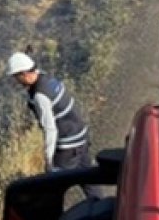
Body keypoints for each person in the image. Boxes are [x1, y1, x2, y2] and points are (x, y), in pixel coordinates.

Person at [7, 51, 104, 198]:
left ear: (24, 74)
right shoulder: (47, 79)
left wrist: (48, 158)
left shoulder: (40, 96)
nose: (17, 81)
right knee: (90, 181)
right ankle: (102, 214)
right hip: (81, 137)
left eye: (16, 77)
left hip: (67, 147)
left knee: (53, 187)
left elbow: (50, 128)